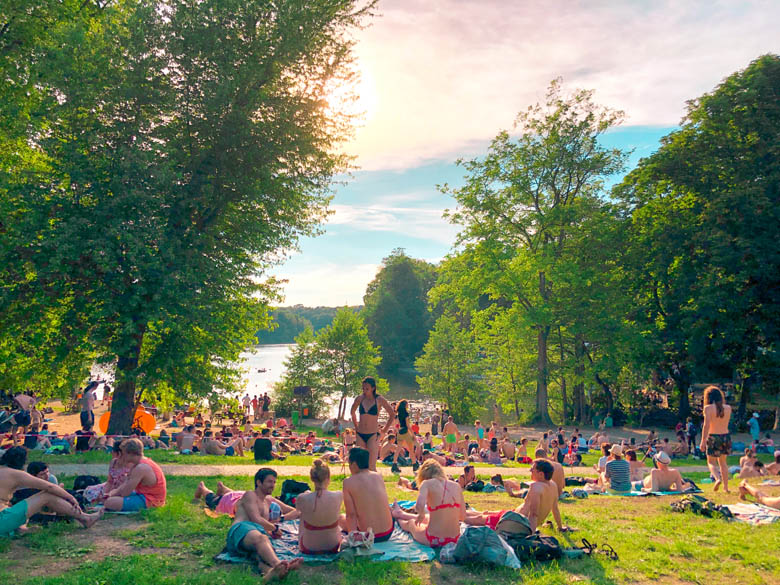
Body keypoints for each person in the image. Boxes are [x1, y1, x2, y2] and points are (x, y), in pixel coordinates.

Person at [1, 447, 103, 536]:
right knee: (46, 495)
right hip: (3, 519)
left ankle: (21, 529)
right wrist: (70, 497)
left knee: (19, 507)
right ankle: (85, 518)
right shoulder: (16, 474)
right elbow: (50, 487)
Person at [226, 468, 302, 580]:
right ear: (259, 482)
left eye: (274, 482)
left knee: (259, 556)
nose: (273, 485)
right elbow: (255, 518)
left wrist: (277, 523)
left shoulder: (268, 501)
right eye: (269, 482)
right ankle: (279, 564)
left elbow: (295, 511)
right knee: (262, 539)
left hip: (255, 536)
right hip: (241, 529)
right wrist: (274, 528)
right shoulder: (250, 495)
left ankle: (270, 573)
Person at [465, 459, 566, 532]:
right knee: (485, 512)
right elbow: (555, 509)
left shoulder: (536, 487)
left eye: (532, 469)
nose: (530, 471)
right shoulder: (553, 485)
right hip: (513, 515)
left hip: (514, 522)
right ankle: (458, 512)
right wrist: (560, 527)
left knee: (478, 519)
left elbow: (534, 515)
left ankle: (454, 515)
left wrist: (530, 535)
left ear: (541, 474)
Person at [391, 459, 464, 548]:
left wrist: (421, 514)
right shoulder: (456, 486)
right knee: (428, 518)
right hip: (455, 539)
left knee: (411, 523)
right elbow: (462, 516)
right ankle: (400, 514)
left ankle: (398, 517)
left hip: (433, 539)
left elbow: (419, 506)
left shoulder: (427, 484)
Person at [342, 447, 394, 542]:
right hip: (388, 532)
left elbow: (351, 514)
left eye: (349, 464)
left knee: (339, 519)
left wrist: (352, 536)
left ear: (354, 464)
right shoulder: (378, 476)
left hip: (368, 536)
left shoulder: (348, 482)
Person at [104, 438, 167, 511]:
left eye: (123, 453)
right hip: (144, 495)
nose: (122, 456)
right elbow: (125, 484)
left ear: (130, 453)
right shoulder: (139, 463)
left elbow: (125, 492)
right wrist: (111, 493)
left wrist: (113, 495)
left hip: (151, 500)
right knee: (109, 499)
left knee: (109, 502)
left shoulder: (140, 468)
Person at [296, 460, 344, 554]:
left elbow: (299, 511)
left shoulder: (302, 498)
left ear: (312, 478)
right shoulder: (338, 495)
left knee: (303, 515)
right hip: (334, 545)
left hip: (308, 547)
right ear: (328, 478)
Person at [350, 377, 395, 471]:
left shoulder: (379, 399)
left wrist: (384, 431)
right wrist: (356, 426)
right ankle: (360, 485)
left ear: (373, 388)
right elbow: (352, 412)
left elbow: (392, 414)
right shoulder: (359, 399)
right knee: (359, 465)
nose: (364, 391)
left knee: (371, 466)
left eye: (367, 389)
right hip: (360, 434)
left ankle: (374, 484)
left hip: (372, 434)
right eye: (363, 389)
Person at [700, 385, 732, 493]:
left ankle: (717, 478)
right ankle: (726, 488)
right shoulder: (728, 408)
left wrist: (703, 440)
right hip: (725, 436)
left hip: (713, 436)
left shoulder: (708, 408)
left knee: (711, 462)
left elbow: (706, 425)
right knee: (723, 463)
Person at [394, 400, 419, 472]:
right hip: (406, 432)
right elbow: (408, 425)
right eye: (407, 404)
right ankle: (414, 464)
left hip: (400, 432)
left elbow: (396, 425)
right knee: (411, 449)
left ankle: (394, 464)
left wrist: (397, 431)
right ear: (405, 405)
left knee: (398, 449)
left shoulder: (398, 414)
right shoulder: (406, 414)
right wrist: (413, 434)